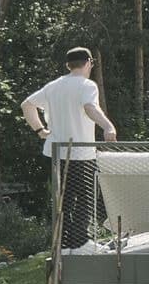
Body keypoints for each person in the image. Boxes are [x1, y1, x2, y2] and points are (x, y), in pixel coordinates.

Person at [21, 47, 117, 250]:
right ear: (88, 62)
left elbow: (26, 105)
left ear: (67, 65)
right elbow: (90, 108)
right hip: (81, 153)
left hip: (56, 153)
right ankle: (80, 242)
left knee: (63, 199)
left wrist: (40, 130)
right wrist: (108, 126)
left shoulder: (53, 86)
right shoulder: (87, 85)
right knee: (85, 197)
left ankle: (66, 244)